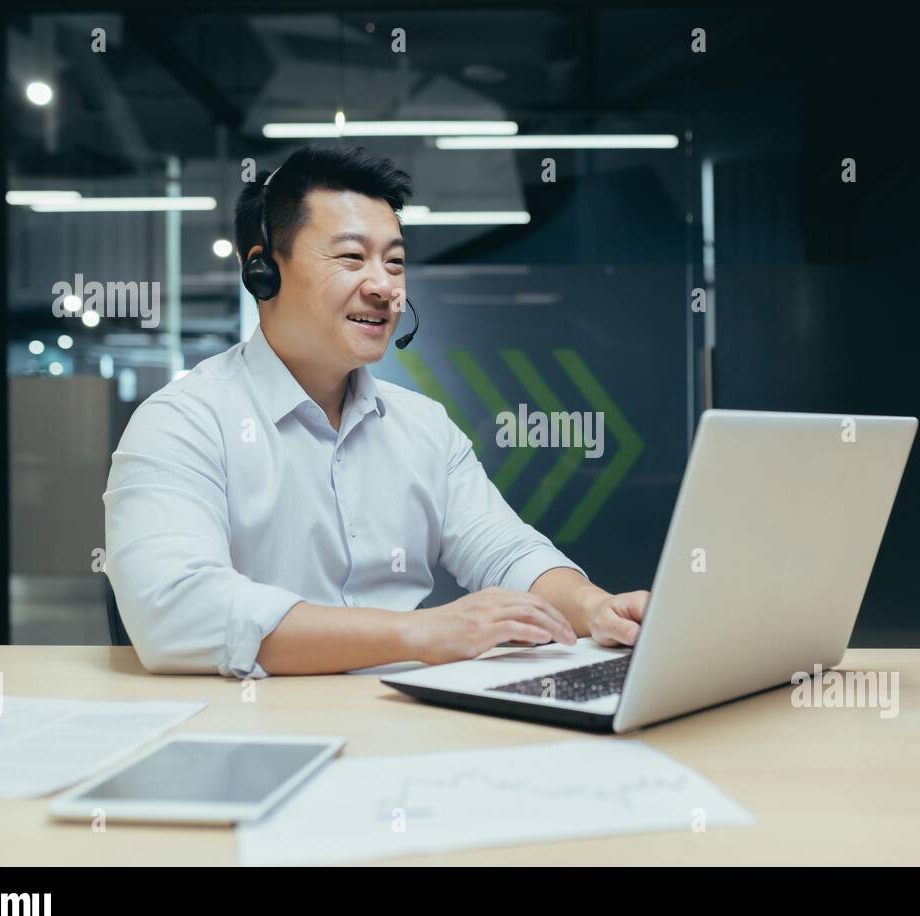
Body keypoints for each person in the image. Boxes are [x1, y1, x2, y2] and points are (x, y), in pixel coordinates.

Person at [104, 144, 649, 677]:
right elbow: (173, 610)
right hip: (254, 733)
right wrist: (418, 633)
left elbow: (506, 552)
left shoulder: (423, 425)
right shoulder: (183, 420)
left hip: (399, 723)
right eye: (351, 257)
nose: (385, 287)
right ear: (263, 271)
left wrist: (593, 606)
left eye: (395, 262)